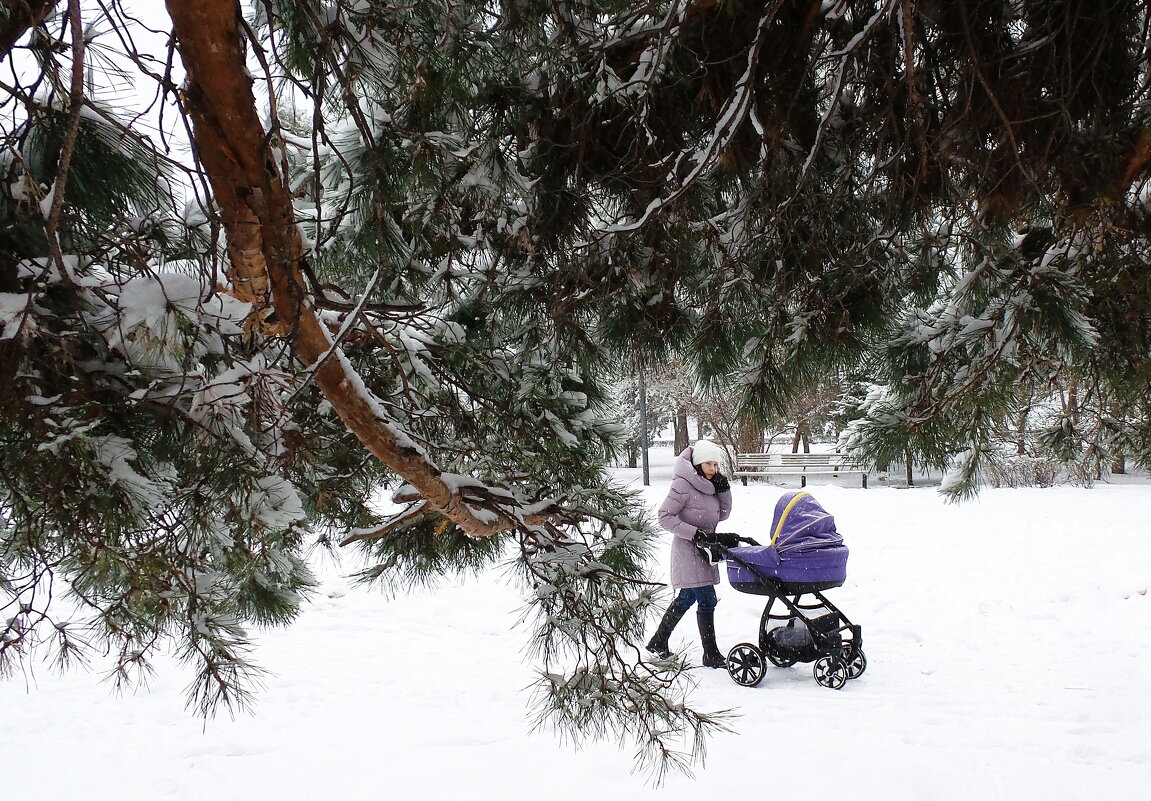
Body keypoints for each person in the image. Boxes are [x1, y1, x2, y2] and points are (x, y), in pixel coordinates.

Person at [646, 439, 739, 668]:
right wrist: (694, 533)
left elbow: (723, 515)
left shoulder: (710, 485)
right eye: (709, 463)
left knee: (687, 597)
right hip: (687, 550)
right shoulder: (682, 485)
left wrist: (723, 490)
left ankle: (659, 641)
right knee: (707, 598)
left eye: (716, 464)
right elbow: (664, 517)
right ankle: (711, 654)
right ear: (697, 463)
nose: (713, 469)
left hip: (705, 550)